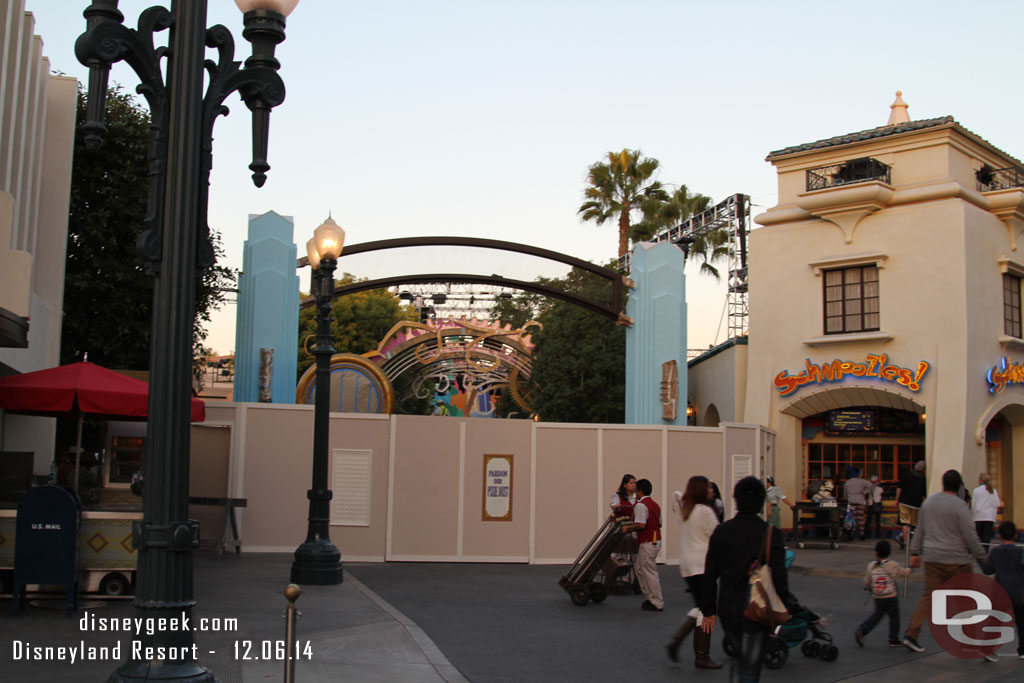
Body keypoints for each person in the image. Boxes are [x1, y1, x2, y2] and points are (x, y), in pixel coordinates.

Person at [699, 476, 788, 683]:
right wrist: (784, 605)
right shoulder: (770, 534)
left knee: (741, 655)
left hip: (728, 605)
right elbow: (779, 577)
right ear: (761, 502)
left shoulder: (721, 532)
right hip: (758, 606)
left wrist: (709, 610)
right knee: (751, 665)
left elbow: (710, 574)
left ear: (736, 500)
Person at [901, 469, 987, 654]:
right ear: (959, 486)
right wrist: (981, 556)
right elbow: (969, 535)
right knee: (965, 600)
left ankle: (911, 634)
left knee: (928, 597)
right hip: (957, 560)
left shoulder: (929, 502)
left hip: (932, 558)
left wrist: (915, 552)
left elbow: (920, 529)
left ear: (943, 483)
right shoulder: (960, 506)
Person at [665, 476, 722, 668]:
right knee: (707, 608)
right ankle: (701, 655)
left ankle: (678, 642)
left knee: (700, 606)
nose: (711, 491)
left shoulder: (686, 510)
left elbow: (675, 495)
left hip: (687, 565)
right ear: (701, 490)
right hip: (703, 563)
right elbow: (718, 537)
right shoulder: (705, 511)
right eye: (707, 487)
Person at [979, 521, 1024, 659]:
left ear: (999, 535)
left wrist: (979, 558)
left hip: (1000, 591)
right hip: (1019, 592)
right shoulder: (1021, 551)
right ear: (1016, 534)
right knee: (1022, 622)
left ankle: (987, 649)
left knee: (995, 621)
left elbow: (988, 570)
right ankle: (1022, 649)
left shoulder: (995, 551)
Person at [854, 540, 912, 648]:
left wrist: (868, 587)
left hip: (878, 596)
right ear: (889, 552)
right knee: (894, 617)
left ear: (876, 553)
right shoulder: (892, 565)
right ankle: (893, 639)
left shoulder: (871, 566)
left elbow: (867, 581)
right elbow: (904, 572)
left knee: (877, 615)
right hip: (891, 596)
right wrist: (911, 569)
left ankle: (863, 629)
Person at [622, 478, 663, 611]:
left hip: (648, 541)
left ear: (639, 491)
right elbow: (659, 523)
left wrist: (629, 527)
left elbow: (641, 524)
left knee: (648, 571)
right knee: (640, 568)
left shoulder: (641, 505)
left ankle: (656, 601)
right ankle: (650, 597)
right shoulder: (655, 505)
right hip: (655, 539)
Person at [893, 460, 927, 549]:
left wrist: (896, 499)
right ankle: (913, 542)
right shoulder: (923, 479)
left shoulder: (906, 475)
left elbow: (899, 488)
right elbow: (924, 495)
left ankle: (905, 541)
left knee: (905, 523)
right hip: (916, 504)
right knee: (914, 524)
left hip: (904, 502)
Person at [971, 472, 1001, 546]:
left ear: (980, 480)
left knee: (979, 538)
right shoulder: (993, 491)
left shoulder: (976, 490)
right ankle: (985, 553)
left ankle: (980, 554)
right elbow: (998, 504)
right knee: (986, 539)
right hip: (989, 517)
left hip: (978, 516)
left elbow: (973, 504)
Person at [844, 469, 872, 541]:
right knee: (860, 518)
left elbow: (845, 494)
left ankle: (851, 534)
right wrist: (865, 492)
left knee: (851, 518)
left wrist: (848, 499)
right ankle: (862, 534)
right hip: (860, 501)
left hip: (851, 501)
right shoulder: (862, 481)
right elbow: (872, 485)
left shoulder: (847, 482)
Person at [862, 475, 884, 540]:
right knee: (877, 521)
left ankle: (866, 534)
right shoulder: (880, 489)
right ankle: (878, 535)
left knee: (868, 521)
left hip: (871, 505)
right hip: (878, 505)